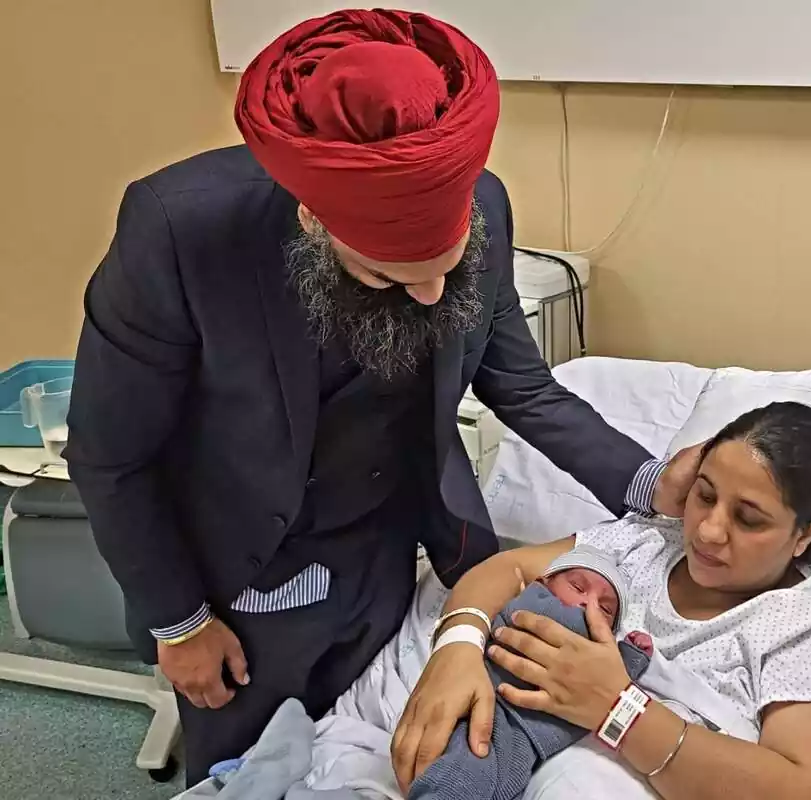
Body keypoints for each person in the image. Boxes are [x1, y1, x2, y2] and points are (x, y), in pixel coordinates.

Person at [63, 8, 696, 787]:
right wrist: (180, 621)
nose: (433, 298)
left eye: (449, 265)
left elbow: (522, 385)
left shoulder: (486, 206)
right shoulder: (180, 234)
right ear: (313, 224)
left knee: (362, 759)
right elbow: (111, 454)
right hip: (235, 575)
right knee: (246, 771)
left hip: (384, 551)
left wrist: (653, 485)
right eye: (393, 278)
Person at [393, 402, 811, 800]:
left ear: (806, 533)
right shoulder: (646, 541)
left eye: (748, 519)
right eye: (704, 495)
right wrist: (456, 648)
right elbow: (512, 568)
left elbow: (802, 790)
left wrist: (617, 707)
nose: (708, 530)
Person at [409, 546, 653, 800]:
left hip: (523, 750)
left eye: (605, 610)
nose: (587, 605)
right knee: (462, 774)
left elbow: (615, 682)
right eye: (578, 588)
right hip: (486, 714)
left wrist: (631, 657)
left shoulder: (601, 657)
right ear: (542, 583)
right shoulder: (531, 602)